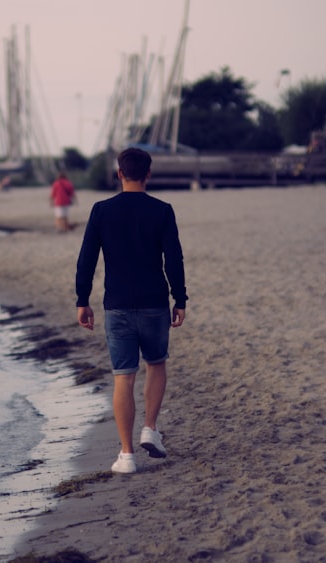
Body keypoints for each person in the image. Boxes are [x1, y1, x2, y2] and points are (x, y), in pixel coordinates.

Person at [75, 146, 188, 474]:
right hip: (154, 303)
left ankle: (126, 455)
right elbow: (174, 259)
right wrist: (180, 299)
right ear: (148, 174)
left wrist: (82, 300)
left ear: (119, 173)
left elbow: (86, 260)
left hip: (118, 306)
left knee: (123, 377)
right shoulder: (162, 211)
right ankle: (150, 428)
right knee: (156, 364)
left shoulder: (101, 210)